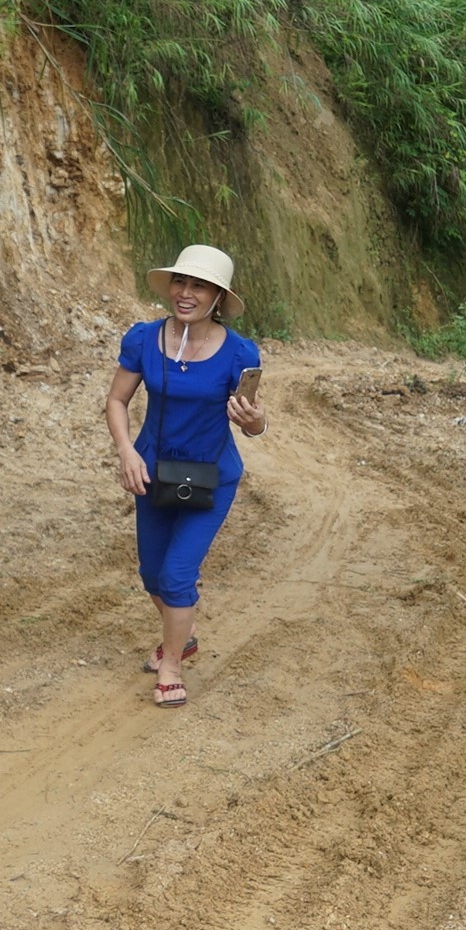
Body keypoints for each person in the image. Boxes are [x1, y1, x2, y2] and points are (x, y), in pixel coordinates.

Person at [102, 245, 265, 709]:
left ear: (218, 296)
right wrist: (126, 451)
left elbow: (254, 420)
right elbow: (116, 401)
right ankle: (184, 631)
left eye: (198, 286)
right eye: (180, 282)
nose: (185, 293)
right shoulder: (143, 340)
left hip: (211, 477)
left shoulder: (239, 354)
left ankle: (171, 663)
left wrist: (253, 421)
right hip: (151, 472)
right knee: (151, 574)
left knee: (176, 576)